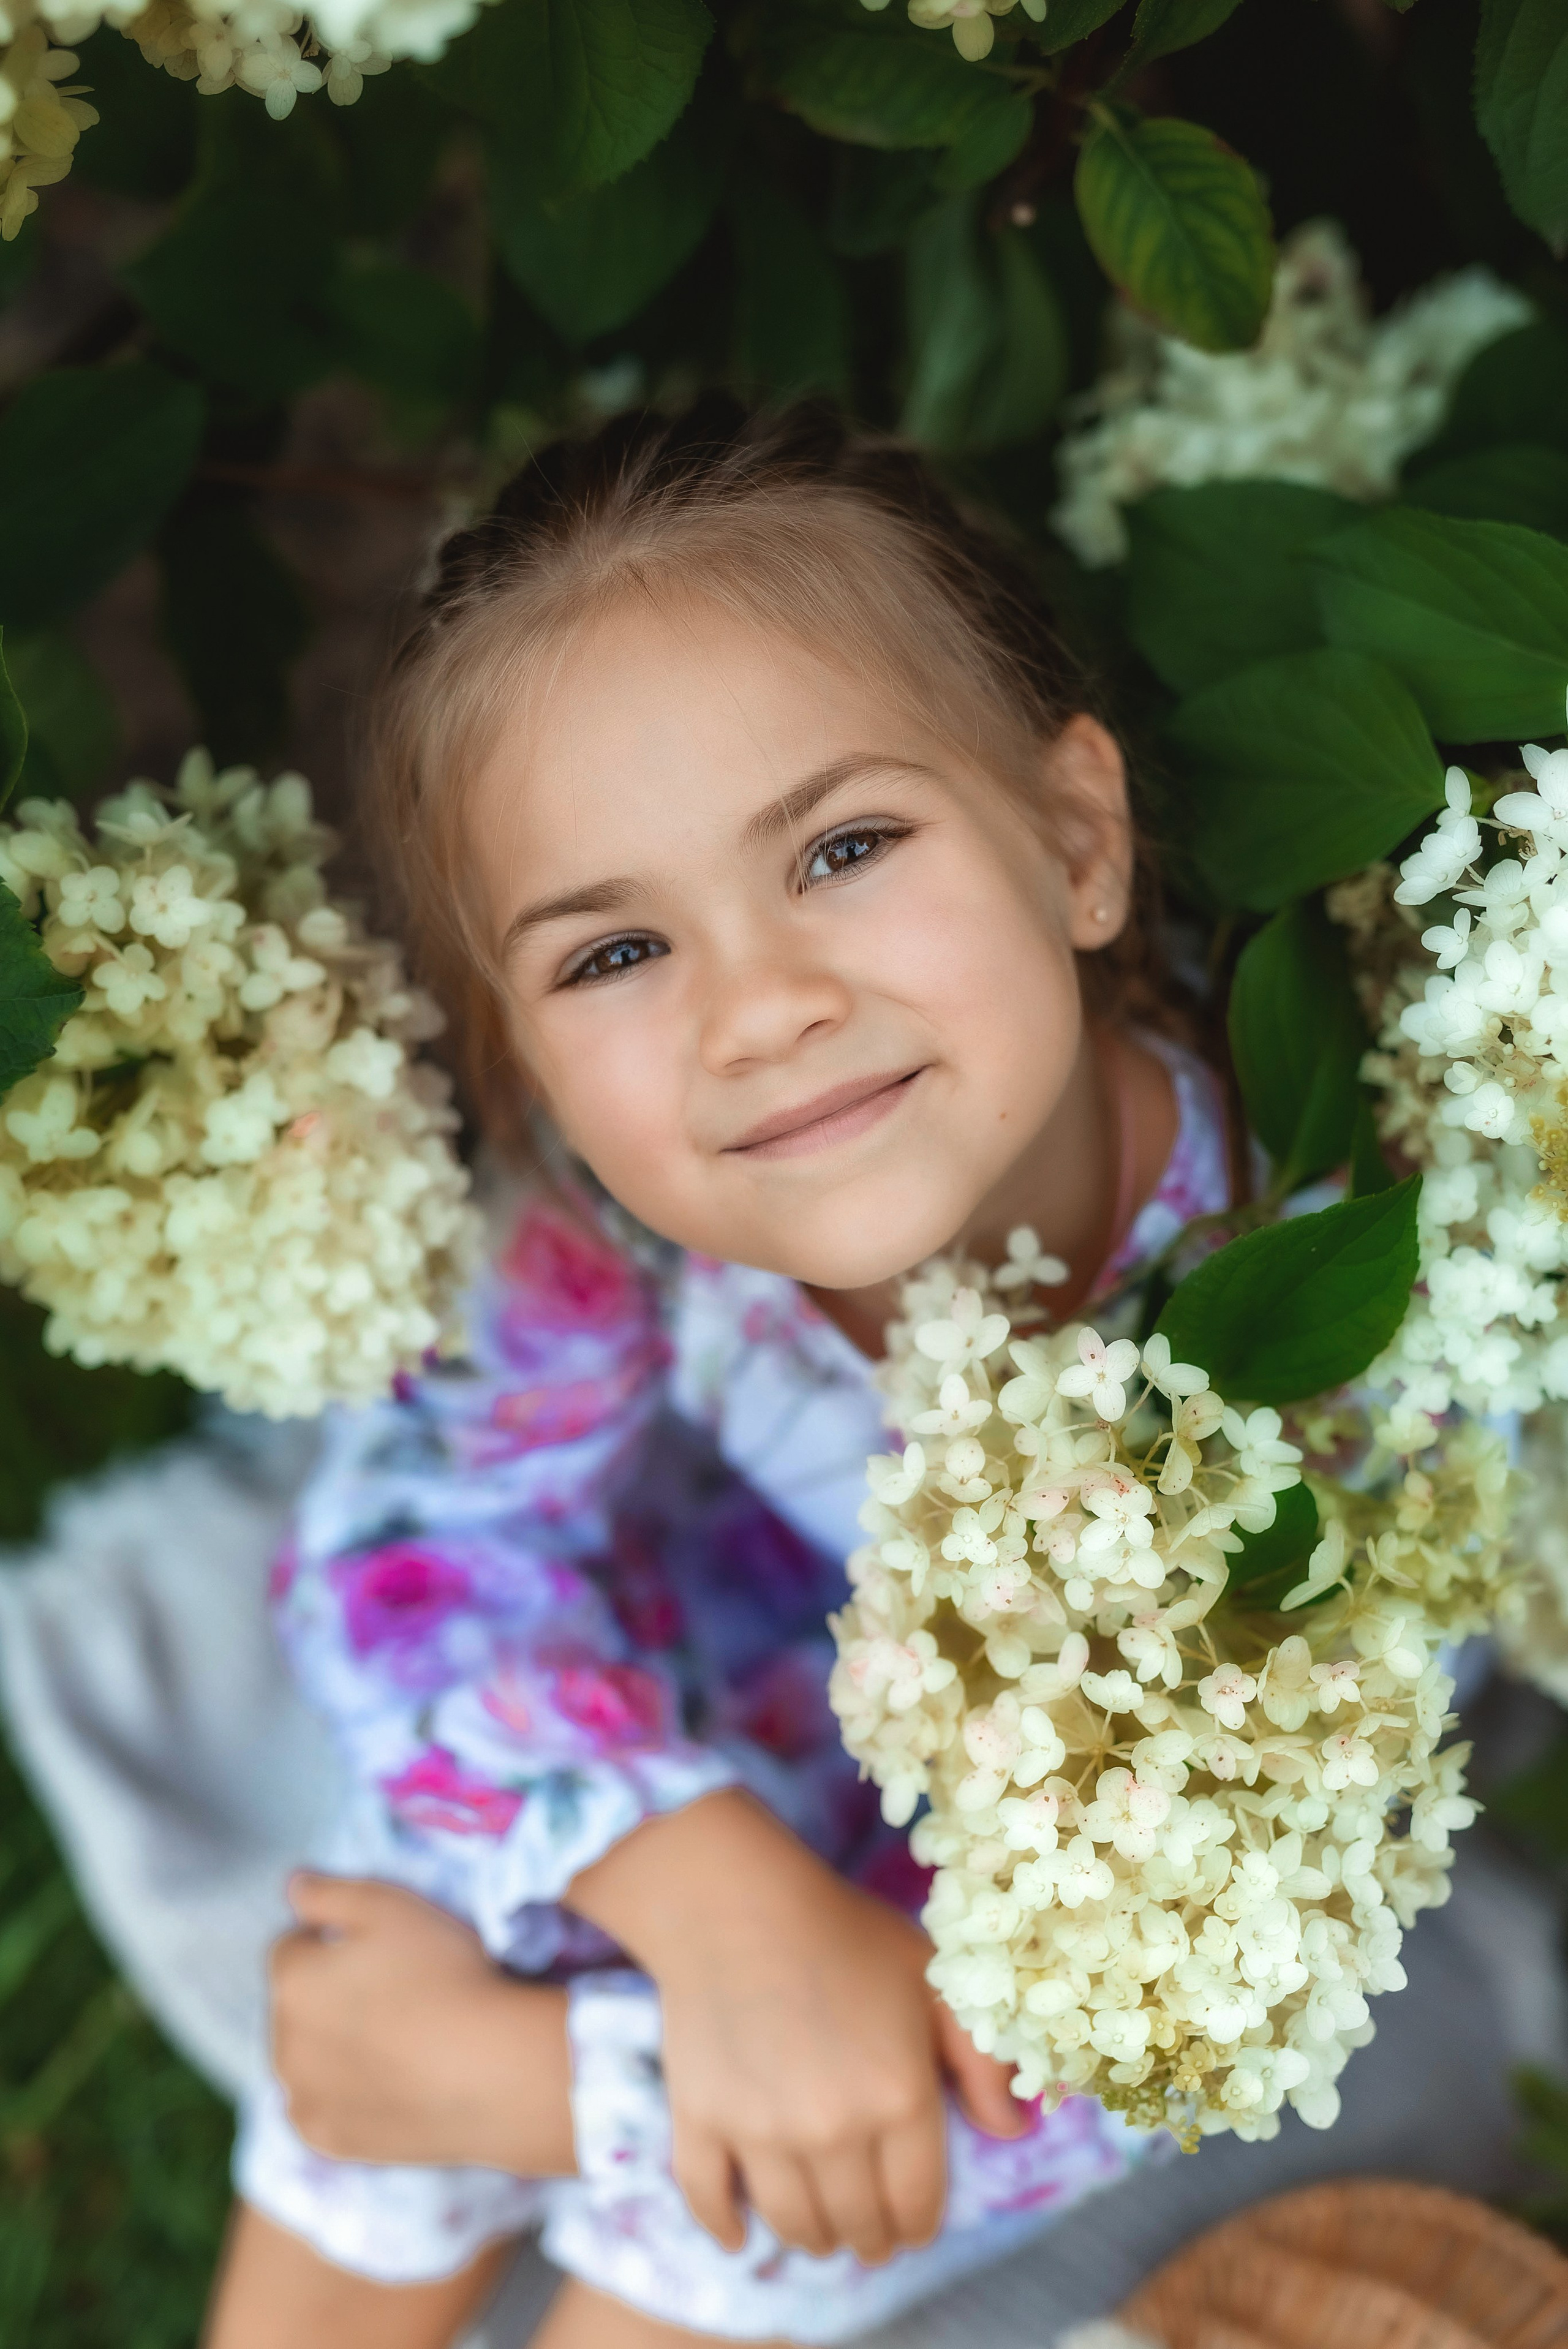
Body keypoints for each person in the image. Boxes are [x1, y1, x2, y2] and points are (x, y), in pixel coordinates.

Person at [202, 398, 1234, 2349]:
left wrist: (539, 2085)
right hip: (740, 1693)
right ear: (517, 1042)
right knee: (431, 1867)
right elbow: (407, 1558)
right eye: (613, 957)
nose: (763, 1010)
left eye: (844, 846)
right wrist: (692, 1879)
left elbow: (1152, 2021)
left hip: (1003, 1923)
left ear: (1078, 842)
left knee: (733, 2207)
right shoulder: (614, 1219)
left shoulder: (1314, 1350)